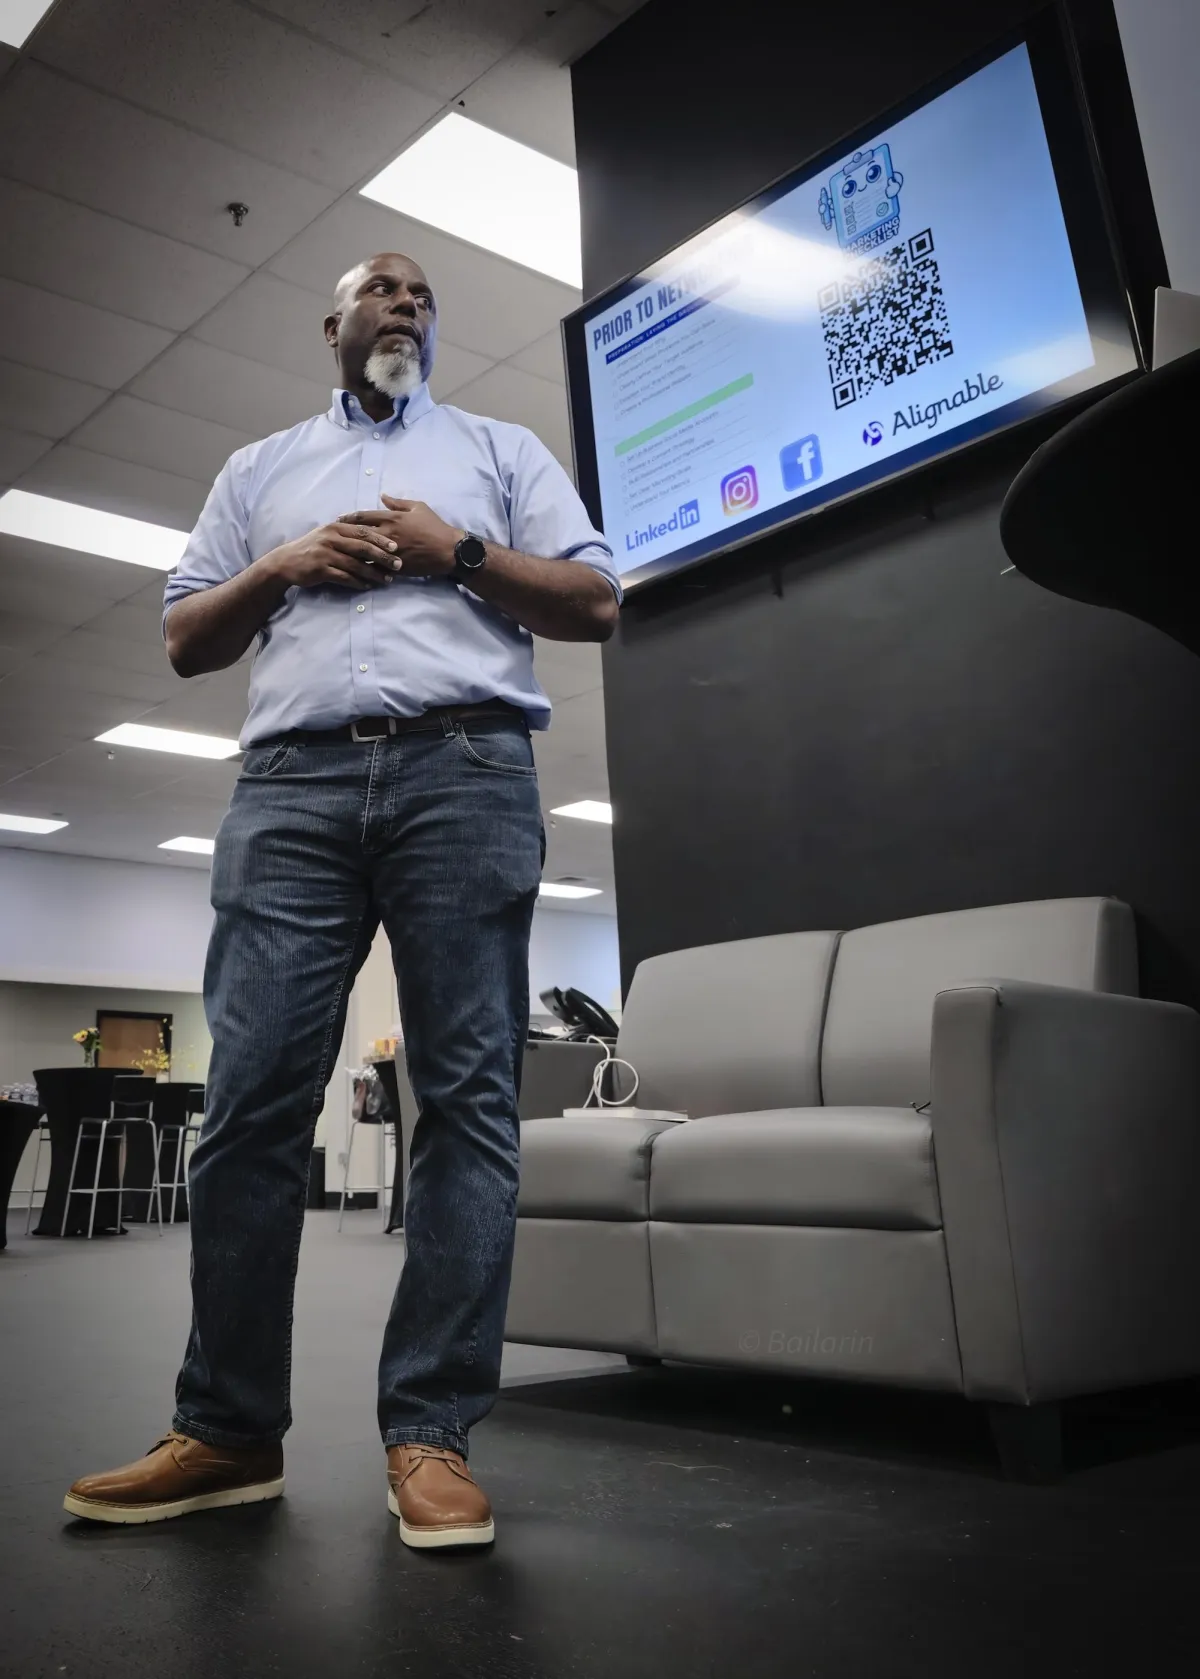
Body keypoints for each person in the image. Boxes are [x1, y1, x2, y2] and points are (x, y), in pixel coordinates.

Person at [64, 251, 620, 1548]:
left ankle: (429, 1433)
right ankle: (227, 1429)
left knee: (469, 1103)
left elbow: (598, 598)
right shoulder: (259, 472)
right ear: (334, 323)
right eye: (382, 287)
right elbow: (186, 634)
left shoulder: (498, 448)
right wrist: (289, 565)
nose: (407, 304)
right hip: (292, 791)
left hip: (468, 773)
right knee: (251, 1101)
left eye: (423, 293)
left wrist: (460, 549)